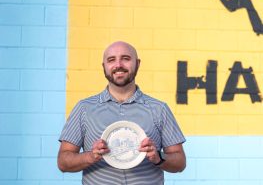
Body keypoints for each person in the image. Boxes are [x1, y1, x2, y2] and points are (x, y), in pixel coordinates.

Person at [57, 41, 186, 184]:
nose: (118, 65)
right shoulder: (84, 108)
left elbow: (180, 162)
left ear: (138, 64)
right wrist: (91, 156)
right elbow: (63, 162)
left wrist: (159, 157)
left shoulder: (159, 109)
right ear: (104, 67)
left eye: (126, 58)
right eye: (111, 60)